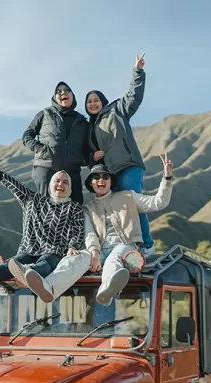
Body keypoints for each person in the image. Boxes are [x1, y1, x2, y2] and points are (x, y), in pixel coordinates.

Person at [0, 154, 90, 303]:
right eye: (57, 180)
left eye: (65, 182)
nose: (60, 184)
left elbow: (77, 230)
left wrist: (73, 246)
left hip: (54, 251)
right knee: (15, 262)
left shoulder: (74, 208)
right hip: (28, 248)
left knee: (44, 263)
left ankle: (28, 275)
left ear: (69, 187)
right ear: (51, 184)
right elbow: (16, 187)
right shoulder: (33, 200)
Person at [85, 53, 157, 257]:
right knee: (115, 211)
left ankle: (147, 244)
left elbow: (134, 96)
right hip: (108, 174)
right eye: (89, 101)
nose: (92, 103)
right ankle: (122, 245)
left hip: (127, 165)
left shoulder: (117, 109)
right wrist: (93, 158)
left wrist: (138, 71)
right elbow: (87, 155)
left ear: (103, 101)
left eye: (95, 100)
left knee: (134, 204)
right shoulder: (89, 127)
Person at [83, 154, 173, 306]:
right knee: (79, 259)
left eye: (106, 176)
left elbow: (159, 202)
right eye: (96, 177)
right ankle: (51, 287)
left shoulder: (129, 197)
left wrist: (167, 178)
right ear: (91, 183)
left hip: (125, 245)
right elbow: (89, 234)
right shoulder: (88, 209)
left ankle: (106, 292)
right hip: (100, 250)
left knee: (114, 259)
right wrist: (94, 252)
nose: (101, 180)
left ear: (111, 182)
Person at [22, 81, 89, 205]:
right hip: (46, 167)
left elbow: (86, 148)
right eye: (59, 91)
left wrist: (84, 159)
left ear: (72, 95)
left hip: (72, 171)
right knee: (45, 208)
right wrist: (38, 148)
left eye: (67, 90)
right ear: (54, 97)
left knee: (76, 207)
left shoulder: (82, 121)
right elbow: (27, 135)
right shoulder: (45, 114)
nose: (63, 93)